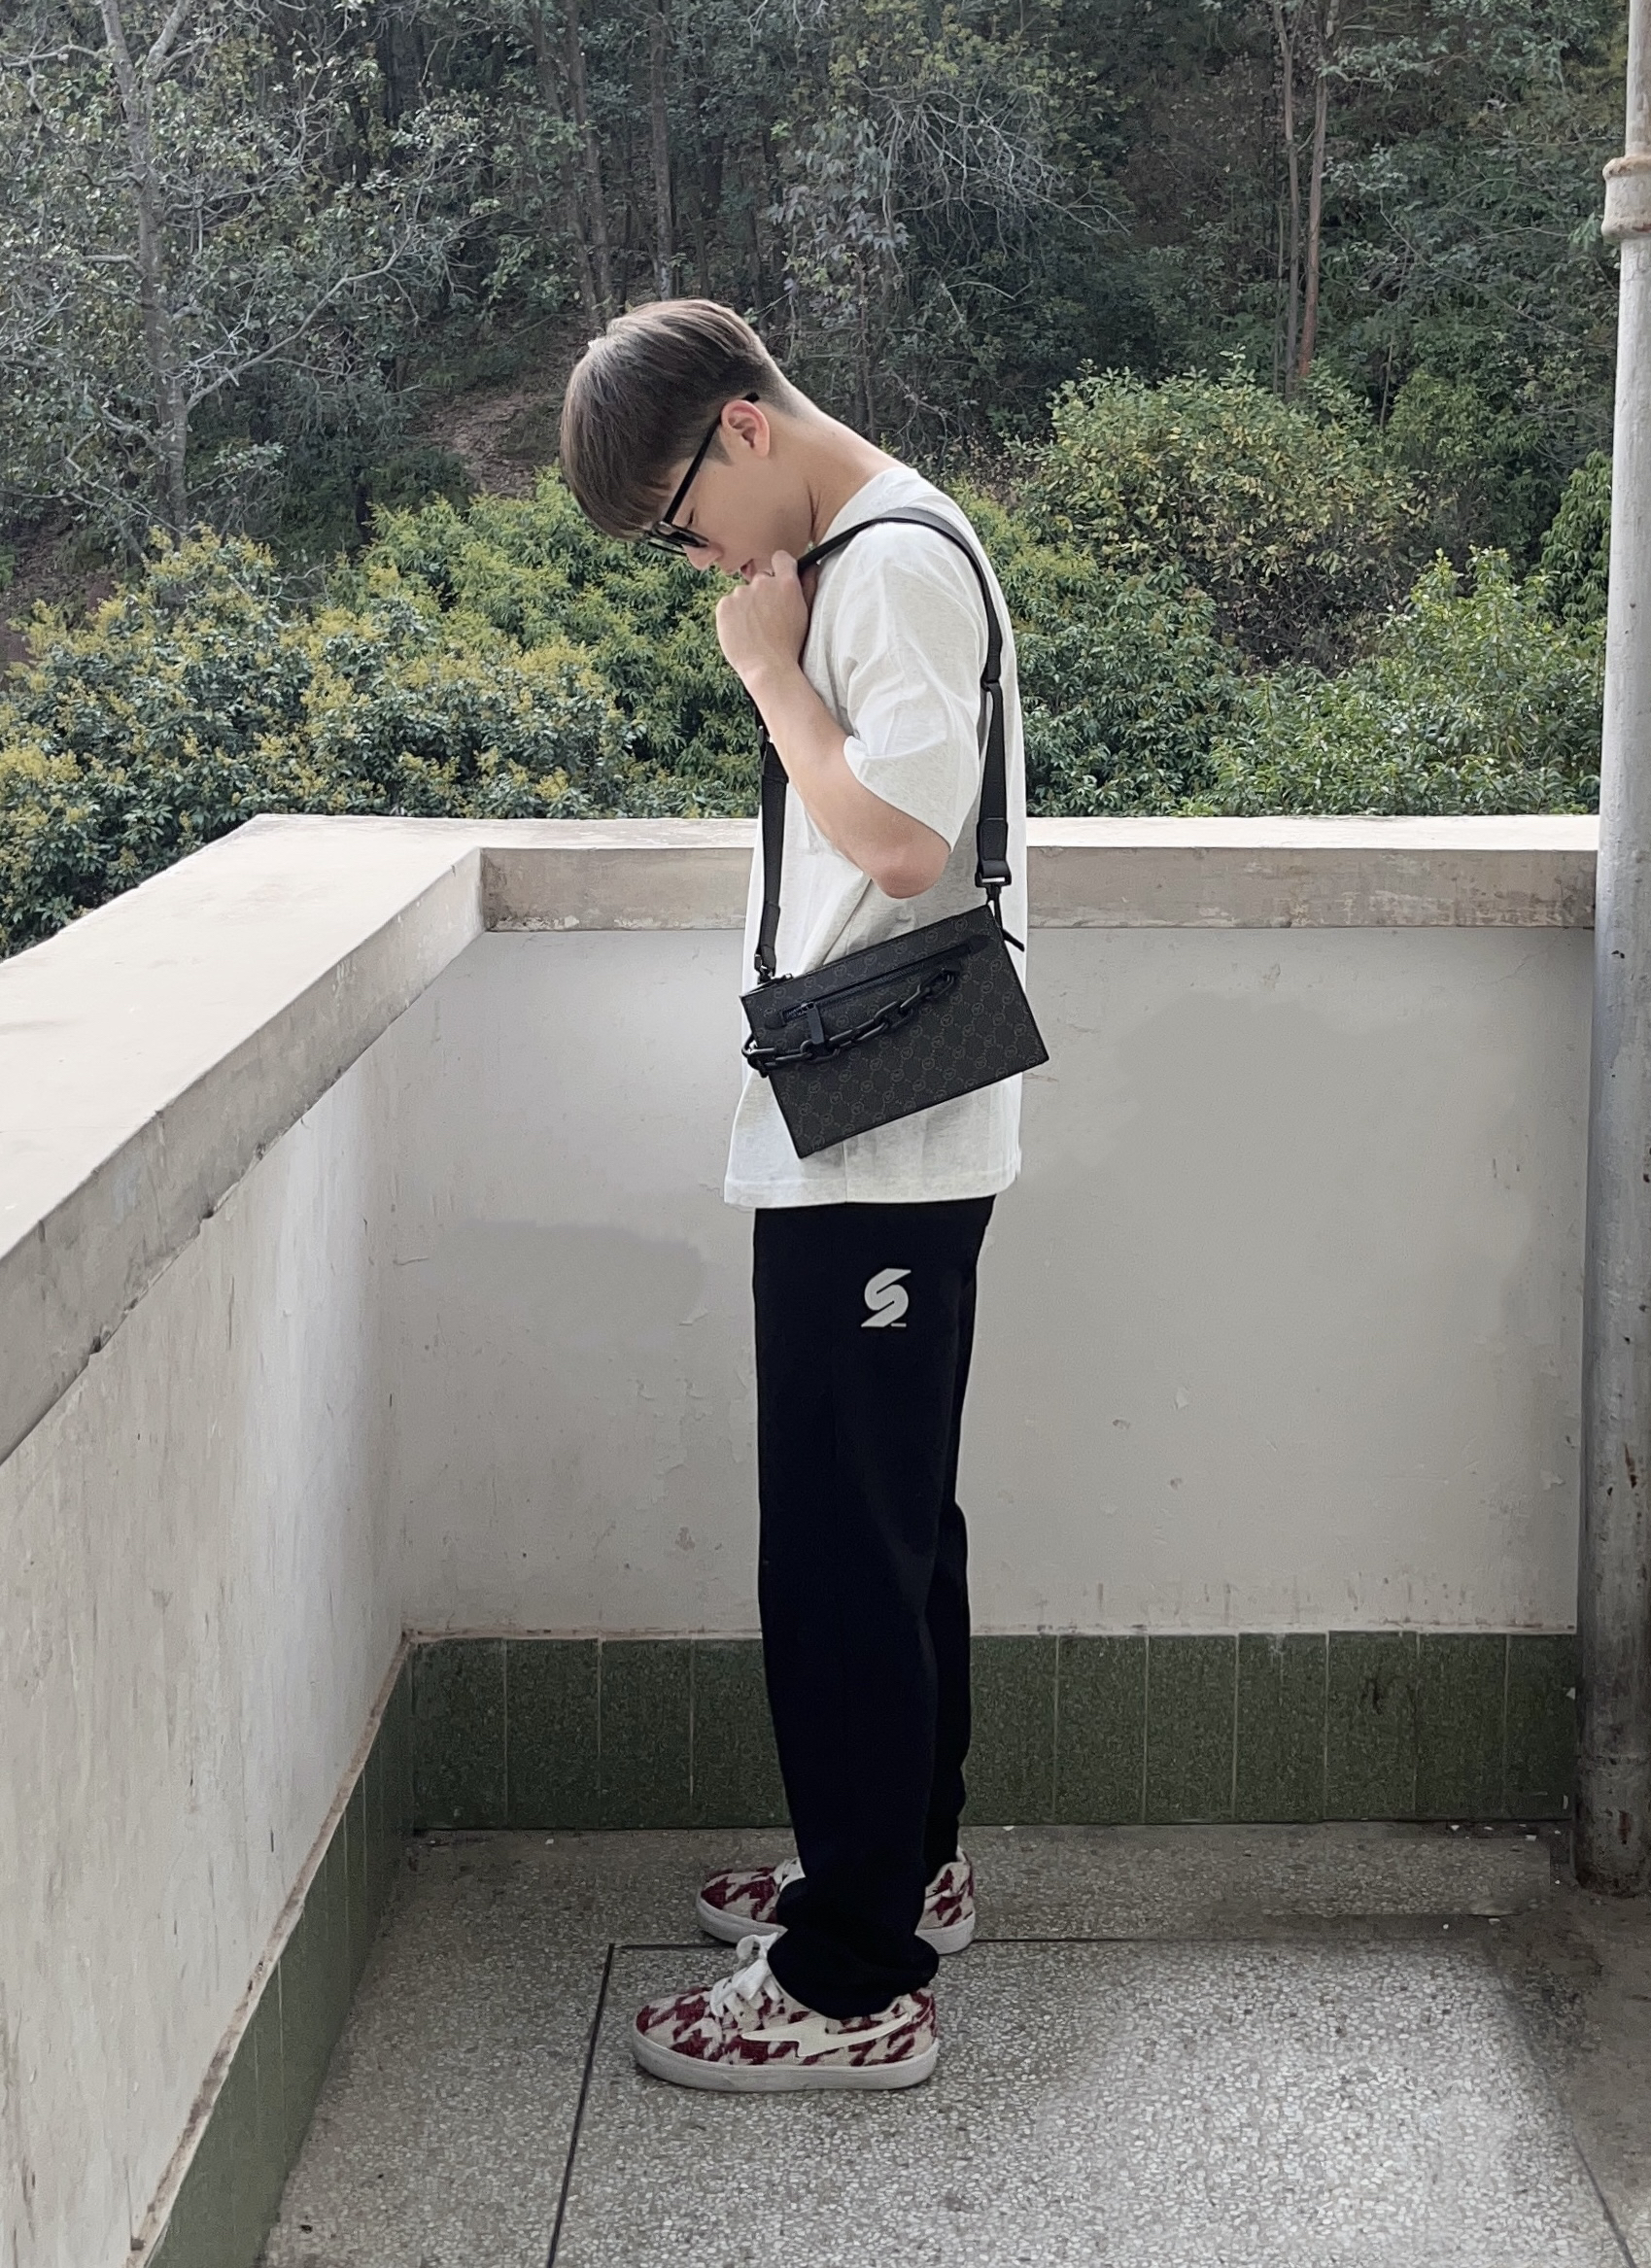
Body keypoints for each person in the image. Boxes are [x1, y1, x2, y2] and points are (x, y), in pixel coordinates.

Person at [558, 298, 1029, 2093]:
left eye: (681, 520)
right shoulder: (875, 545)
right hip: (876, 1107)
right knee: (890, 1526)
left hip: (881, 1127)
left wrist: (767, 669)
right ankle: (894, 1868)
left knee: (841, 1550)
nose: (697, 561)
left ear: (742, 428)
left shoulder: (886, 562)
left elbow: (902, 841)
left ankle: (851, 1978)